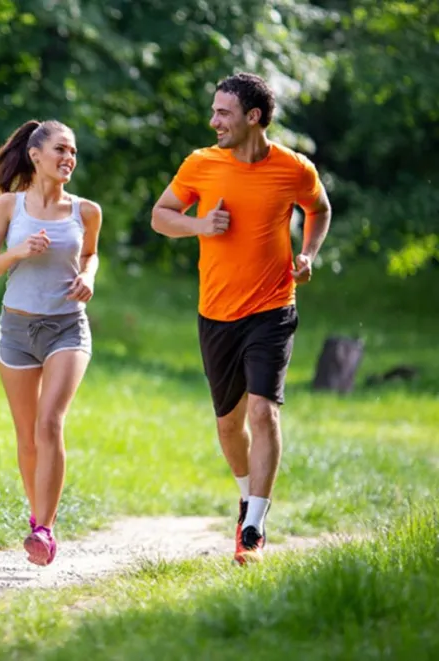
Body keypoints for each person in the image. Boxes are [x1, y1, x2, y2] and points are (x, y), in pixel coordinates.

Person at [150, 73, 332, 564]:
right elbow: (160, 215)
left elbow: (319, 209)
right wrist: (198, 225)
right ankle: (245, 497)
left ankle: (254, 523)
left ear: (253, 117)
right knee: (230, 425)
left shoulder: (293, 168)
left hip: (273, 307)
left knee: (262, 410)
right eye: (214, 111)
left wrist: (309, 253)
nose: (213, 122)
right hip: (216, 312)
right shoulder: (201, 165)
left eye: (223, 113)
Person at [0, 119, 103, 566]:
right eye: (61, 150)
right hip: (16, 330)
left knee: (50, 422)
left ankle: (46, 530)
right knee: (27, 437)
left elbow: (90, 253)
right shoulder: (9, 207)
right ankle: (36, 520)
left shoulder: (86, 211)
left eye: (74, 153)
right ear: (35, 154)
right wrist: (18, 252)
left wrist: (87, 277)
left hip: (67, 327)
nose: (69, 159)